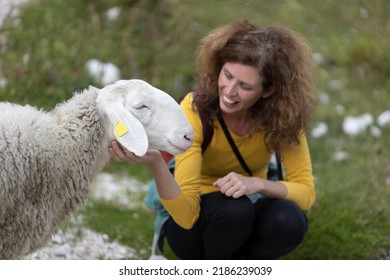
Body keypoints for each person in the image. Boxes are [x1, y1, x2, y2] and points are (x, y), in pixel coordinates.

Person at [109, 20, 316, 260]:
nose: (229, 91)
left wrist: (257, 184)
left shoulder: (283, 119)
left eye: (245, 86)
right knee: (234, 210)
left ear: (267, 90)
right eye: (227, 75)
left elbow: (306, 194)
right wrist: (156, 162)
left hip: (248, 210)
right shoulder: (195, 110)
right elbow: (186, 216)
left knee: (289, 220)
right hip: (192, 225)